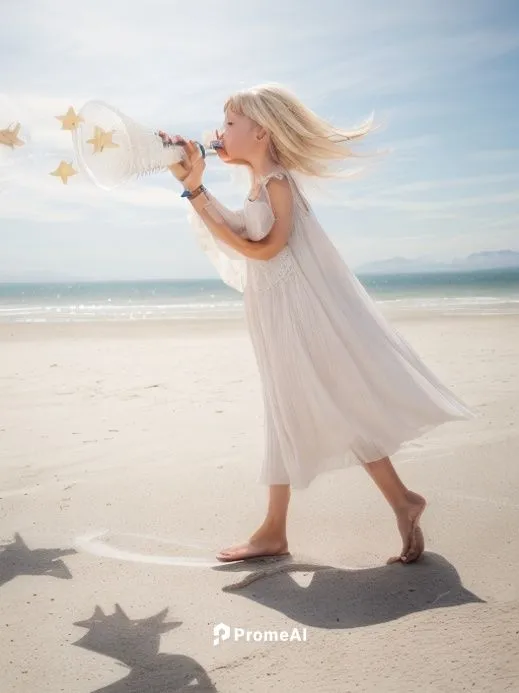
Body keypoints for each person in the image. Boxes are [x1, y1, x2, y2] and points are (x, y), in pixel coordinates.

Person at [159, 83, 478, 566]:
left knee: (309, 406)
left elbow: (263, 250)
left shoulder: (278, 183)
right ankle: (305, 522)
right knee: (292, 408)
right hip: (276, 312)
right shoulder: (259, 183)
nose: (218, 132)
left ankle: (288, 528)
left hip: (297, 316)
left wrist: (197, 187)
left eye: (228, 124)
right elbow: (238, 231)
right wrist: (192, 181)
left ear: (261, 132)